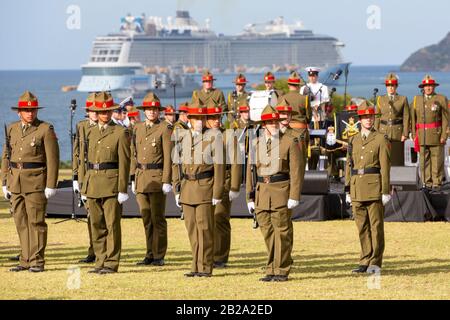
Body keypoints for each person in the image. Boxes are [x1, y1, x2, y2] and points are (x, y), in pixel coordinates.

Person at [1, 91, 59, 272]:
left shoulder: (44, 129)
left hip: (35, 182)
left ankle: (37, 261)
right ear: (19, 112)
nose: (30, 113)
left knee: (36, 223)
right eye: (26, 110)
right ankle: (25, 259)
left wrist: (50, 184)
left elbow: (53, 160)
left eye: (33, 110)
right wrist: (4, 181)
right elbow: (6, 156)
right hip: (15, 181)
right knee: (21, 222)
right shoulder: (11, 129)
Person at [246, 105, 303, 282]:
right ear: (264, 124)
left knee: (282, 232)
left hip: (281, 191)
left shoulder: (289, 141)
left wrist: (294, 195)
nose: (273, 124)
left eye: (275, 121)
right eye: (269, 122)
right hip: (262, 192)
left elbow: (296, 171)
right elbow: (250, 171)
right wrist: (249, 196)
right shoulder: (256, 143)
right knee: (267, 232)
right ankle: (271, 268)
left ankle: (282, 269)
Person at [172, 101, 225, 277]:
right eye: (196, 118)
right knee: (192, 229)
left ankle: (205, 266)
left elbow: (219, 168)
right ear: (189, 119)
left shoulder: (213, 138)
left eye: (202, 118)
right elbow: (176, 164)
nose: (200, 121)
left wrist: (217, 193)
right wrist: (176, 188)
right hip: (187, 188)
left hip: (205, 188)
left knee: (205, 229)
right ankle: (195, 265)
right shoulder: (182, 137)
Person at [80, 91, 131, 274]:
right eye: (101, 112)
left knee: (112, 225)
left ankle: (111, 262)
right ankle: (99, 261)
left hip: (111, 184)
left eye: (107, 111)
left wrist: (123, 189)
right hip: (92, 183)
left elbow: (125, 162)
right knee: (96, 225)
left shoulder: (120, 132)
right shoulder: (90, 132)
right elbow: (84, 161)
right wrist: (83, 184)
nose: (104, 115)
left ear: (111, 112)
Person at [345, 99, 391, 274]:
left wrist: (385, 190)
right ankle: (364, 259)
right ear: (360, 119)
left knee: (376, 227)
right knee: (361, 227)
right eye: (365, 117)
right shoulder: (353, 140)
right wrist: (347, 188)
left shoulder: (380, 138)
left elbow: (385, 167)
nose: (368, 120)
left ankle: (375, 262)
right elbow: (349, 166)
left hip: (374, 187)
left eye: (370, 117)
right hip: (357, 187)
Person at [130, 93, 173, 266]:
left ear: (158, 111)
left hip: (157, 178)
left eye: (154, 109)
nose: (152, 112)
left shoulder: (164, 128)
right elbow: (134, 154)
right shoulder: (137, 128)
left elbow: (168, 157)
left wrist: (166, 180)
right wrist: (133, 177)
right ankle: (149, 253)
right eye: (149, 109)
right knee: (146, 218)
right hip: (141, 179)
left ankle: (159, 255)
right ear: (144, 111)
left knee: (158, 218)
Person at [205, 104, 242, 268]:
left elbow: (235, 163)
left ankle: (220, 257)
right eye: (212, 118)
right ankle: (208, 254)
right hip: (205, 183)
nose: (216, 121)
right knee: (207, 220)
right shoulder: (202, 136)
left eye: (218, 118)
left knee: (220, 219)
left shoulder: (228, 136)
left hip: (224, 182)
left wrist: (234, 186)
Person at [73, 92, 98, 264]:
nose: (95, 113)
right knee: (90, 217)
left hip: (102, 176)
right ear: (87, 111)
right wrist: (75, 177)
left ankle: (103, 251)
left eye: (97, 110)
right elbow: (77, 154)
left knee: (101, 218)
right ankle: (93, 250)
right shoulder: (82, 127)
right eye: (92, 110)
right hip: (85, 176)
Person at [411, 75, 449, 189]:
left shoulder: (441, 98)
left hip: (436, 135)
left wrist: (444, 135)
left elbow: (446, 118)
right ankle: (426, 182)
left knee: (437, 160)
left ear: (434, 87)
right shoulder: (417, 99)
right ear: (423, 87)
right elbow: (413, 119)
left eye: (430, 85)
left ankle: (437, 182)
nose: (428, 88)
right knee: (424, 161)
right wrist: (414, 134)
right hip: (421, 135)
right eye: (426, 86)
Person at [375, 73, 410, 166]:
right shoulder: (380, 99)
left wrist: (405, 133)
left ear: (396, 86)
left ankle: (397, 180)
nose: (390, 88)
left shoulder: (402, 99)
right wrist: (375, 132)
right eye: (388, 85)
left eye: (393, 85)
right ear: (386, 86)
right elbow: (377, 116)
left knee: (397, 160)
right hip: (383, 132)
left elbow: (406, 116)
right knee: (383, 160)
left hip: (397, 133)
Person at [279, 71, 310, 171]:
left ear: (288, 85)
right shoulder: (304, 99)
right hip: (301, 132)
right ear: (299, 86)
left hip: (285, 131)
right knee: (300, 161)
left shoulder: (282, 98)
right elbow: (308, 118)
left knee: (286, 158)